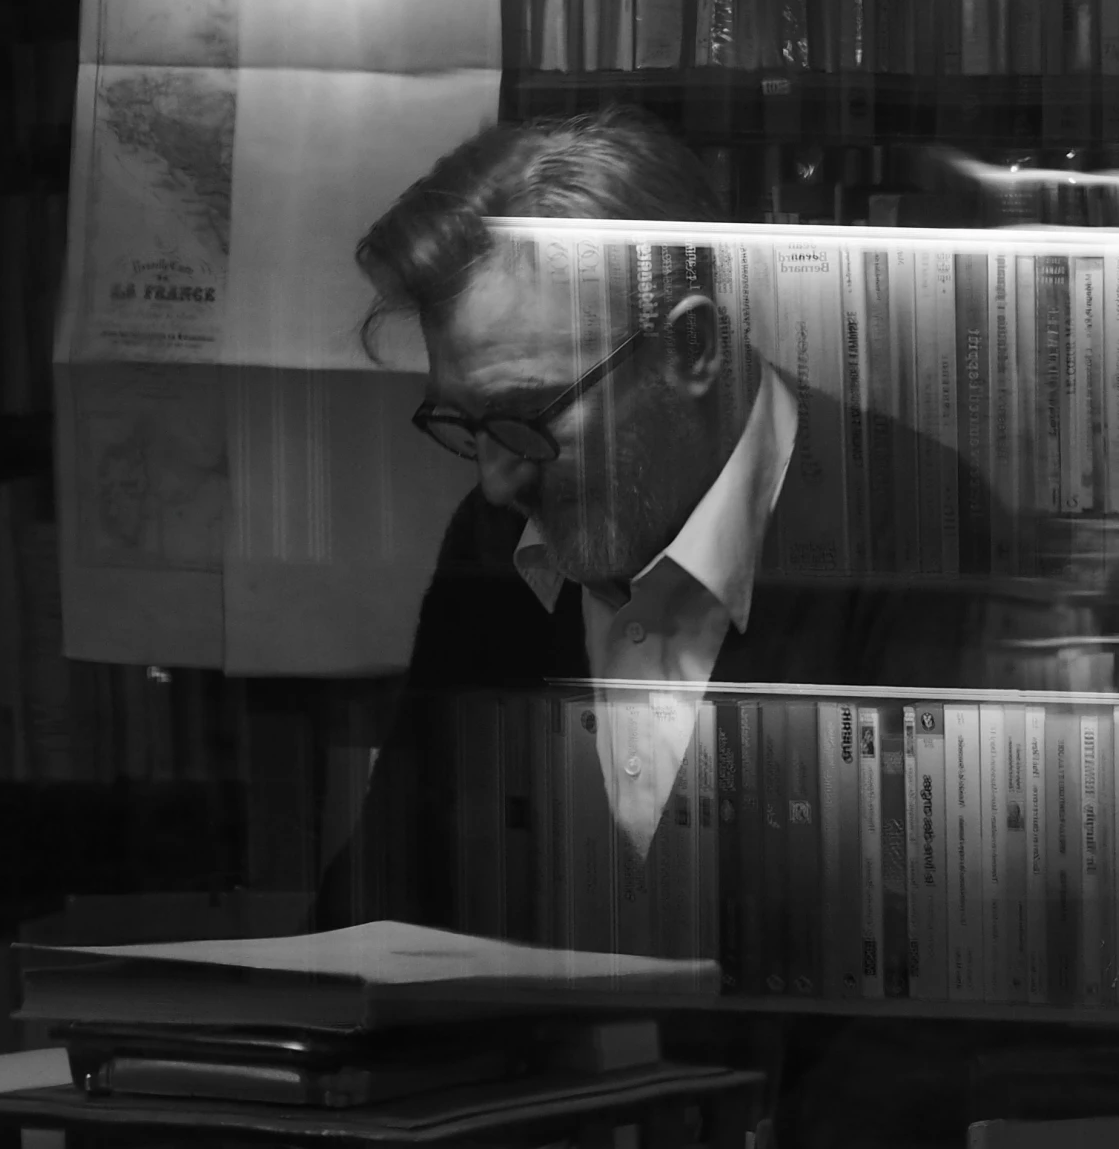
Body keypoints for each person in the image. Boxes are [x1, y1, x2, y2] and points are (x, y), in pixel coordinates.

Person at [314, 108, 1006, 1148]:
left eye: (526, 417)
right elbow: (378, 914)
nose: (496, 478)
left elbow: (933, 1011)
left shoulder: (920, 539)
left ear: (687, 346)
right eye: (460, 425)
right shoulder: (495, 540)